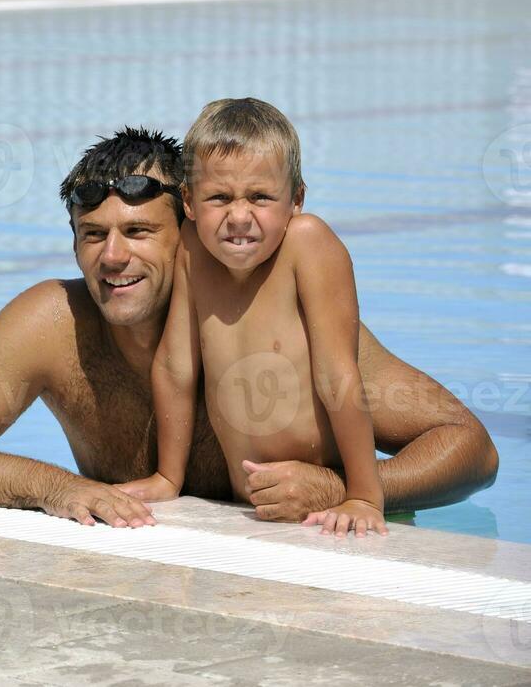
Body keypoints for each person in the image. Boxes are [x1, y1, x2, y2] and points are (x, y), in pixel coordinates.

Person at [0, 127, 498, 528]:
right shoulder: (55, 324)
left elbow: (470, 446)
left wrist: (347, 488)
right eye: (93, 236)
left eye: (140, 233)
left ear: (192, 238)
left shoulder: (286, 324)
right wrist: (53, 488)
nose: (113, 259)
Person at [117, 100, 385, 536]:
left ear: (296, 198)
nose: (238, 217)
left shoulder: (307, 244)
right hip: (251, 510)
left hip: (324, 500)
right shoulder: (192, 251)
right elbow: (174, 366)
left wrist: (363, 496)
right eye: (219, 197)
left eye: (260, 197)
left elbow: (338, 375)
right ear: (188, 201)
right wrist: (169, 476)